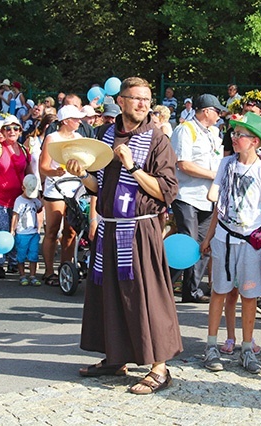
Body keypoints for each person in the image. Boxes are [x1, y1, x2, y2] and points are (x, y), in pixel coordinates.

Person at [68, 77, 182, 395]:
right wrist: (82, 175)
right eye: (136, 98)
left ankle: (160, 367)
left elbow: (166, 191)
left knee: (147, 296)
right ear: (121, 101)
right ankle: (115, 357)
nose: (143, 104)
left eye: (147, 99)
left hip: (139, 228)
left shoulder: (156, 139)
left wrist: (133, 168)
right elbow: (98, 186)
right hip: (109, 225)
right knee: (110, 294)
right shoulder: (105, 135)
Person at [200, 112, 261, 374]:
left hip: (250, 242)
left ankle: (247, 348)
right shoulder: (226, 164)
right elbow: (217, 200)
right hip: (224, 237)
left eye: (240, 135)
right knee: (219, 291)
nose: (234, 138)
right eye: (233, 134)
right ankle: (211, 346)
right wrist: (209, 236)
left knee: (250, 295)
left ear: (254, 141)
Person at [170, 94, 225, 303]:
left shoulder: (213, 132)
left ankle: (191, 291)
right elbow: (183, 164)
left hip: (208, 198)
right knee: (188, 243)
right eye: (216, 111)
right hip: (187, 196)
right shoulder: (185, 130)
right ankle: (164, 286)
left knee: (204, 245)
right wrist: (214, 175)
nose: (219, 115)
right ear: (206, 111)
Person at [39, 104, 85, 286]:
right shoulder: (52, 138)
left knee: (71, 230)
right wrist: (54, 173)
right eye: (76, 119)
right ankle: (49, 271)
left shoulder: (80, 137)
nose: (79, 122)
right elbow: (42, 167)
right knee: (52, 230)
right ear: (65, 121)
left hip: (75, 188)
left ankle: (67, 269)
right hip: (56, 188)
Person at [0, 115, 31, 279]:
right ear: (3, 131)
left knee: (17, 231)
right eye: (7, 128)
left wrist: (34, 192)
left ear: (20, 131)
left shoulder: (24, 150)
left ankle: (13, 262)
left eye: (15, 128)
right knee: (1, 231)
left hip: (18, 198)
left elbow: (29, 172)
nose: (11, 131)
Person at [11, 174, 43, 287]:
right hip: (22, 233)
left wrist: (39, 197)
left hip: (33, 232)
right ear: (23, 188)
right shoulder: (19, 200)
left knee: (33, 255)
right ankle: (22, 275)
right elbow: (15, 215)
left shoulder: (35, 200)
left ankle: (33, 275)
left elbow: (40, 208)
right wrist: (12, 230)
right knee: (21, 255)